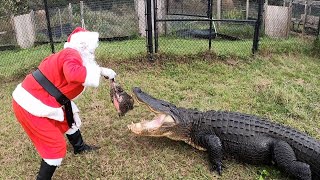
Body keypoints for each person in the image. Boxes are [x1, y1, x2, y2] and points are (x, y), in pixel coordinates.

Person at [12, 27, 116, 179]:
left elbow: (79, 70)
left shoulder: (72, 54)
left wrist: (100, 70)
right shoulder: (71, 54)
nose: (93, 52)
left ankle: (79, 147)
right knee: (55, 148)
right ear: (83, 45)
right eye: (91, 48)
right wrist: (98, 71)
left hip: (44, 97)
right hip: (30, 103)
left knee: (69, 118)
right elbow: (73, 73)